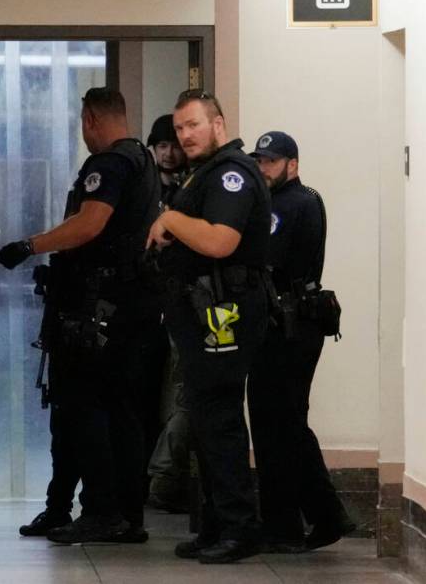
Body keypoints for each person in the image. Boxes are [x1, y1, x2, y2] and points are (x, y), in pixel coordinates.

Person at [0, 87, 161, 544]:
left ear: (90, 118)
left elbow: (90, 224)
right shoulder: (143, 161)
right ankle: (126, 514)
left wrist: (29, 246)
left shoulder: (108, 164)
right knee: (123, 411)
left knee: (84, 410)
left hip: (98, 308)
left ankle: (100, 511)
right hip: (128, 307)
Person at [146, 89, 270, 564]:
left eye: (194, 125)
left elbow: (220, 242)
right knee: (203, 418)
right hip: (205, 314)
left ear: (218, 123)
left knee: (218, 419)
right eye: (179, 129)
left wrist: (172, 217)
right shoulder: (204, 174)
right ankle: (217, 524)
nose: (185, 135)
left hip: (226, 312)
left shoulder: (232, 174)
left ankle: (240, 529)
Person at [248, 131, 355, 552]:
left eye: (271, 162)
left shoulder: (300, 201)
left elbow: (271, 261)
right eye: (259, 161)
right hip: (274, 325)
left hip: (293, 324)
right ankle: (289, 522)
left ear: (292, 163)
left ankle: (319, 517)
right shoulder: (270, 203)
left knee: (285, 423)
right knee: (273, 424)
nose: (264, 169)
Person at [144, 114, 191, 510]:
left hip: (180, 305)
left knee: (178, 395)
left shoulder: (193, 188)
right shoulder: (143, 191)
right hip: (145, 305)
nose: (170, 153)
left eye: (174, 145)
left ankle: (165, 479)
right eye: (162, 147)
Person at [148, 114, 189, 206]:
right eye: (163, 146)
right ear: (154, 149)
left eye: (176, 147)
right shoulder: (144, 183)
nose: (169, 154)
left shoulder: (194, 183)